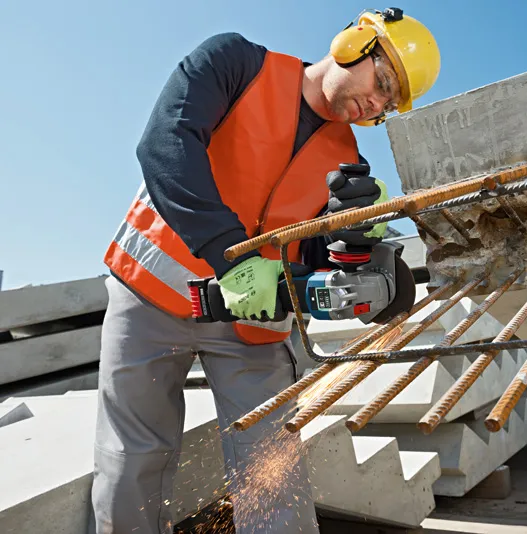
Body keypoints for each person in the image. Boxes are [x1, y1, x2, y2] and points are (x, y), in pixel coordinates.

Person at [90, 7, 440, 533]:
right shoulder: (236, 63)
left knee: (271, 473)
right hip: (152, 296)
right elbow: (166, 143)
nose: (377, 102)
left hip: (250, 328)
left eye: (390, 103)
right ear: (353, 44)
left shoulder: (347, 164)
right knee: (133, 460)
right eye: (383, 81)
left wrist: (358, 237)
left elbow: (315, 252)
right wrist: (232, 254)